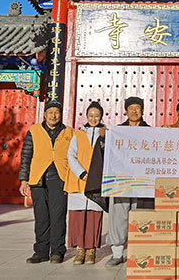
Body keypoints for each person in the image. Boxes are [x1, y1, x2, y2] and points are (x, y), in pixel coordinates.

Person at [18, 100, 74, 264]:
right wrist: (23, 179)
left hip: (60, 179)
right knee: (41, 217)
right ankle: (41, 251)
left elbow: (77, 154)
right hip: (38, 179)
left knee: (58, 217)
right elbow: (26, 155)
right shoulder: (34, 131)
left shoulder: (69, 133)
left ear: (60, 114)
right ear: (44, 114)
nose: (53, 115)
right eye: (50, 112)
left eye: (56, 112)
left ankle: (57, 251)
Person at [102, 96, 151, 267]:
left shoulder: (150, 131)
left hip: (142, 181)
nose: (134, 111)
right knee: (118, 216)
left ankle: (140, 253)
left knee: (141, 216)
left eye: (138, 108)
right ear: (126, 111)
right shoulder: (116, 131)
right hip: (120, 181)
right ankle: (117, 254)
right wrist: (104, 138)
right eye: (131, 108)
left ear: (142, 110)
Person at [65, 102, 105, 265]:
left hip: (97, 180)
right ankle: (80, 249)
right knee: (79, 215)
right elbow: (71, 155)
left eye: (97, 116)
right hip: (79, 179)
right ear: (86, 116)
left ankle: (91, 250)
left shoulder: (105, 133)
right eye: (91, 116)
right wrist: (82, 172)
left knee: (94, 215)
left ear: (101, 116)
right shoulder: (78, 134)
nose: (94, 119)